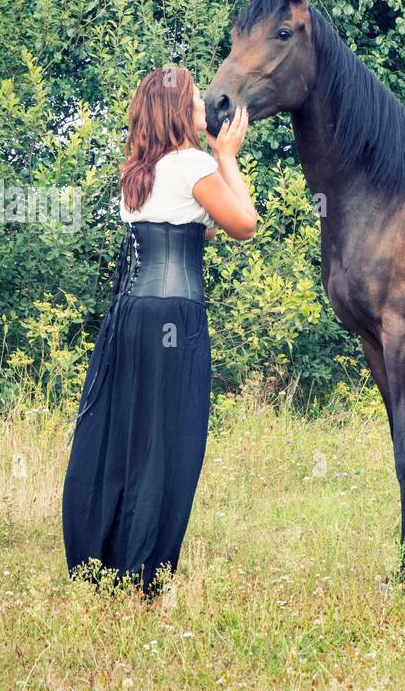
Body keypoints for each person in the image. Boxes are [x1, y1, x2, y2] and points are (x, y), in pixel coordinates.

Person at [61, 66, 259, 594]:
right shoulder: (193, 164)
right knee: (169, 441)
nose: (202, 109)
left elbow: (198, 226)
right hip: (175, 315)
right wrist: (227, 157)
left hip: (130, 314)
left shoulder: (139, 170)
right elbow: (245, 224)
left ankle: (106, 557)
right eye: (195, 101)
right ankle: (144, 571)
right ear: (177, 112)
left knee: (126, 435)